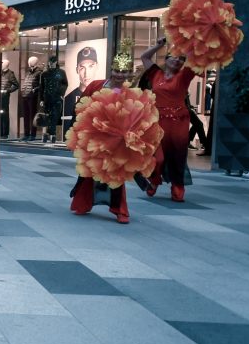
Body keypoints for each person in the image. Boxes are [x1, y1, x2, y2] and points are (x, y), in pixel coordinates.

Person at [69, 50, 135, 224]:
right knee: (89, 170)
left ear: (129, 73)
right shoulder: (96, 85)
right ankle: (82, 203)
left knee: (115, 173)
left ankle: (120, 209)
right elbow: (81, 107)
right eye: (117, 71)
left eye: (124, 72)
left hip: (116, 139)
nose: (120, 75)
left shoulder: (129, 92)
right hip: (93, 136)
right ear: (111, 70)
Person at [141, 38, 197, 202]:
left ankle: (177, 186)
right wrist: (159, 45)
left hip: (178, 120)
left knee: (178, 154)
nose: (178, 60)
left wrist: (188, 43)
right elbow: (145, 57)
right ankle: (154, 179)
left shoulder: (184, 75)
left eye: (181, 59)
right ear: (166, 59)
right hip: (158, 119)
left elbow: (194, 59)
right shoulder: (156, 74)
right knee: (157, 156)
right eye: (174, 56)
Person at [64, 46, 101, 130]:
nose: (86, 73)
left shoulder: (102, 96)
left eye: (91, 66)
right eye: (82, 68)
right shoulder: (69, 100)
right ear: (77, 70)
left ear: (97, 66)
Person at [39, 55, 68, 143]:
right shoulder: (44, 74)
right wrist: (41, 99)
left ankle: (52, 134)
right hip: (47, 97)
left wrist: (61, 94)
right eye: (50, 62)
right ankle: (45, 134)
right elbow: (41, 87)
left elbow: (65, 84)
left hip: (57, 97)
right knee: (46, 116)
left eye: (53, 62)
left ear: (56, 63)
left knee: (55, 116)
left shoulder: (61, 72)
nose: (51, 64)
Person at [20, 56, 43, 141]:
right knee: (26, 116)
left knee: (32, 116)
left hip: (32, 97)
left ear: (35, 62)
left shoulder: (39, 73)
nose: (28, 62)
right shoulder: (28, 72)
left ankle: (33, 134)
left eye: (30, 61)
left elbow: (41, 85)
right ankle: (26, 134)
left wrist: (34, 90)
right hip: (25, 96)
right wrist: (23, 91)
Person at [0, 58, 19, 138]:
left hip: (5, 97)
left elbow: (16, 85)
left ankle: (4, 133)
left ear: (6, 65)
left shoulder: (10, 74)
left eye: (2, 63)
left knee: (5, 115)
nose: (1, 65)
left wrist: (7, 91)